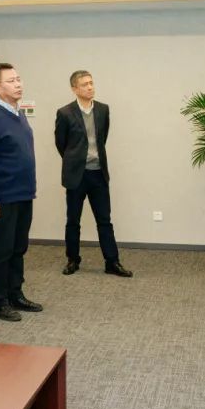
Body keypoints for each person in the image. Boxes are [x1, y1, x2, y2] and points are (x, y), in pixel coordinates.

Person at [0, 63, 42, 322]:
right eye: (11, 80)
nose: (18, 84)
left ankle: (15, 293)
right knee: (1, 251)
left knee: (18, 248)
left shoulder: (19, 113)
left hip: (24, 193)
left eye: (19, 79)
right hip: (3, 198)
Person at [54, 70, 132, 277]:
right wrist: (76, 160)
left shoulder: (103, 110)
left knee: (104, 220)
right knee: (73, 221)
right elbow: (61, 144)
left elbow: (102, 138)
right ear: (74, 89)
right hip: (76, 176)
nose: (90, 87)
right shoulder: (64, 113)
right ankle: (73, 259)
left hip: (98, 174)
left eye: (91, 83)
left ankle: (112, 262)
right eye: (84, 84)